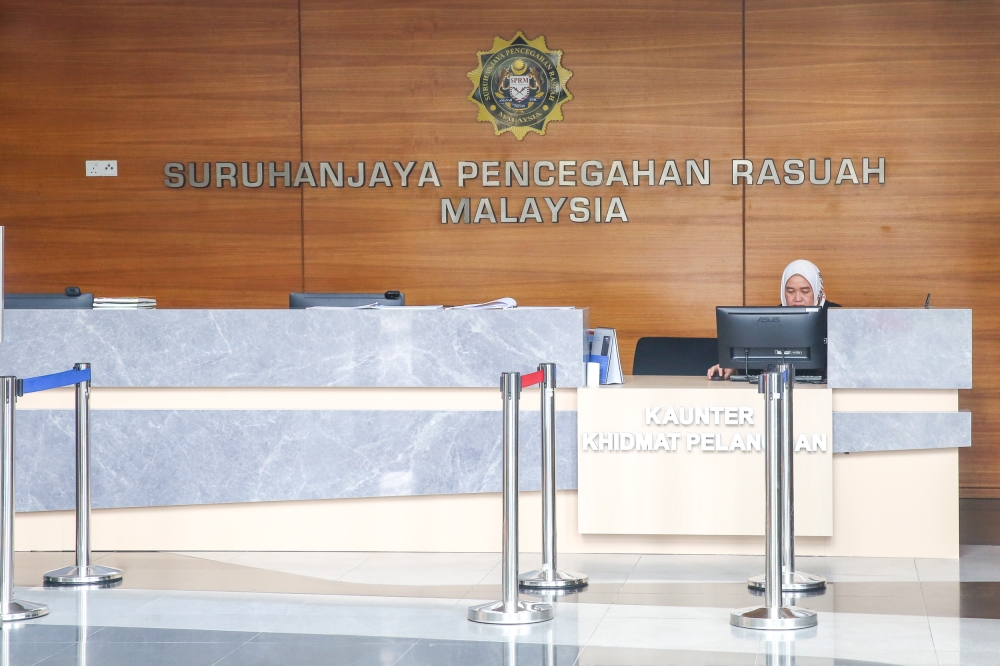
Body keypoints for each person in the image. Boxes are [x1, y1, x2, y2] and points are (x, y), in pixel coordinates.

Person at [708, 259, 839, 379]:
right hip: (781, 389)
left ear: (818, 291)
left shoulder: (837, 316)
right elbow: (756, 359)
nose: (797, 298)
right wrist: (732, 367)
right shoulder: (772, 319)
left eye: (805, 291)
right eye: (790, 291)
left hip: (826, 391)